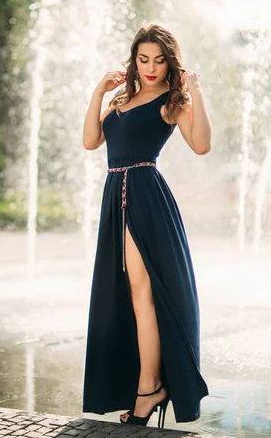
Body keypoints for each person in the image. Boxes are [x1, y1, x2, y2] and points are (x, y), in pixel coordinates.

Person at [81, 23, 212, 428]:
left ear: (169, 62)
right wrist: (97, 93)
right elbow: (90, 142)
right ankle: (148, 384)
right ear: (134, 60)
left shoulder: (173, 101)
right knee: (130, 296)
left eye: (158, 60)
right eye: (143, 59)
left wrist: (196, 91)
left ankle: (150, 387)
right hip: (116, 194)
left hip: (143, 196)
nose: (151, 67)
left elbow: (202, 145)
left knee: (143, 296)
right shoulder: (122, 97)